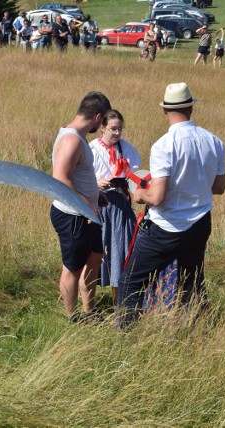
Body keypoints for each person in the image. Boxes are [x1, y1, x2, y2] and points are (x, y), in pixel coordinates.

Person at [117, 82, 225, 328]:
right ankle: (198, 331)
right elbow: (219, 187)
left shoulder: (164, 146)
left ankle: (126, 337)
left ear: (165, 111)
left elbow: (157, 197)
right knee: (191, 281)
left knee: (131, 281)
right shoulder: (215, 141)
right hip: (200, 224)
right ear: (191, 108)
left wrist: (140, 195)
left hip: (166, 227)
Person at [50, 92, 112, 323]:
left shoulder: (77, 137)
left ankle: (90, 310)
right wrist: (88, 205)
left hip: (87, 213)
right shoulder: (72, 139)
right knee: (72, 268)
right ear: (97, 117)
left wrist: (98, 196)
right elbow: (60, 178)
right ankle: (72, 318)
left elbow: (77, 176)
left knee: (95, 257)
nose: (103, 124)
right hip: (74, 215)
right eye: (103, 120)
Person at [89, 110, 140, 306]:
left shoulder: (127, 149)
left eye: (120, 129)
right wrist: (96, 183)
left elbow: (135, 177)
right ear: (102, 127)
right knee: (95, 255)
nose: (117, 133)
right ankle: (89, 306)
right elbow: (82, 177)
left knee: (121, 253)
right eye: (113, 129)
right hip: (98, 204)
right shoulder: (91, 150)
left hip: (120, 206)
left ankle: (121, 303)